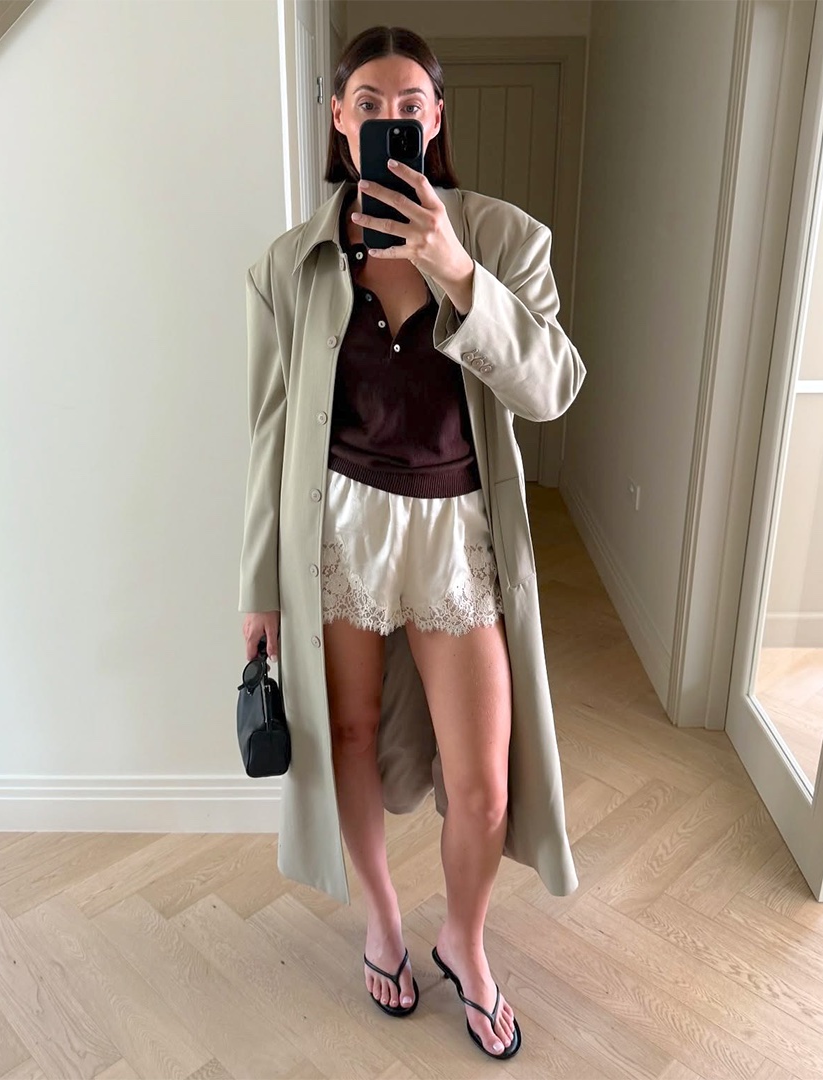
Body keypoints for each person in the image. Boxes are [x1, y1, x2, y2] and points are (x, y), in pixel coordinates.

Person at [239, 25, 585, 1062]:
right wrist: (257, 588)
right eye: (367, 104)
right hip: (336, 528)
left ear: (437, 118)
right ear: (339, 122)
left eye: (409, 105)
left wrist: (456, 269)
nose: (389, 120)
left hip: (453, 532)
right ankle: (383, 922)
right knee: (342, 740)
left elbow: (554, 388)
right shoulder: (290, 265)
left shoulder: (506, 239)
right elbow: (267, 430)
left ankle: (464, 943)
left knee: (484, 784)